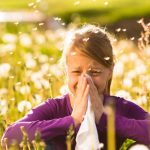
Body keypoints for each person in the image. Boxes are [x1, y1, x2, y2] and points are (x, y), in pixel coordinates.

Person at [1, 24, 150, 150]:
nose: (85, 80)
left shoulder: (119, 106)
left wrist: (105, 120)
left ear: (110, 72)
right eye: (76, 72)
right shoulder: (55, 107)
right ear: (67, 71)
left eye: (95, 72)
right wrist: (73, 120)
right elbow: (9, 136)